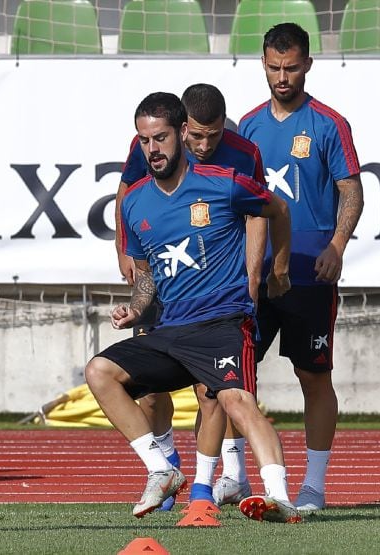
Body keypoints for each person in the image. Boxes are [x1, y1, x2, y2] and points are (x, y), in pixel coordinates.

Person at [88, 91, 300, 523]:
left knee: (237, 402)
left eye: (160, 138)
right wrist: (135, 307)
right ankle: (161, 470)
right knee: (99, 371)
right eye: (144, 141)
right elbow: (146, 276)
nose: (153, 149)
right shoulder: (134, 202)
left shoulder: (225, 182)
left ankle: (279, 498)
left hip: (222, 322)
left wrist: (275, 270)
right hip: (171, 330)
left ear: (182, 133)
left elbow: (277, 211)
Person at [223, 22, 364, 514]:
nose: (282, 76)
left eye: (291, 67)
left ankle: (314, 488)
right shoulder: (247, 125)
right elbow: (233, 202)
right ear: (262, 64)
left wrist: (338, 246)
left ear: (307, 64)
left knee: (313, 377)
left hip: (310, 274)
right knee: (232, 378)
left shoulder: (329, 124)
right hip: (256, 275)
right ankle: (234, 475)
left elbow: (351, 191)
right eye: (273, 67)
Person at [114, 83, 267, 510]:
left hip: (213, 294)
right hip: (158, 277)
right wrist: (124, 249)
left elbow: (260, 212)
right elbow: (127, 192)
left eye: (211, 136)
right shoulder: (148, 145)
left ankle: (212, 483)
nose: (202, 145)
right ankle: (165, 464)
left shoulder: (242, 156)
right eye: (195, 136)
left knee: (213, 389)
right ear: (184, 130)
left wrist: (253, 277)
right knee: (148, 392)